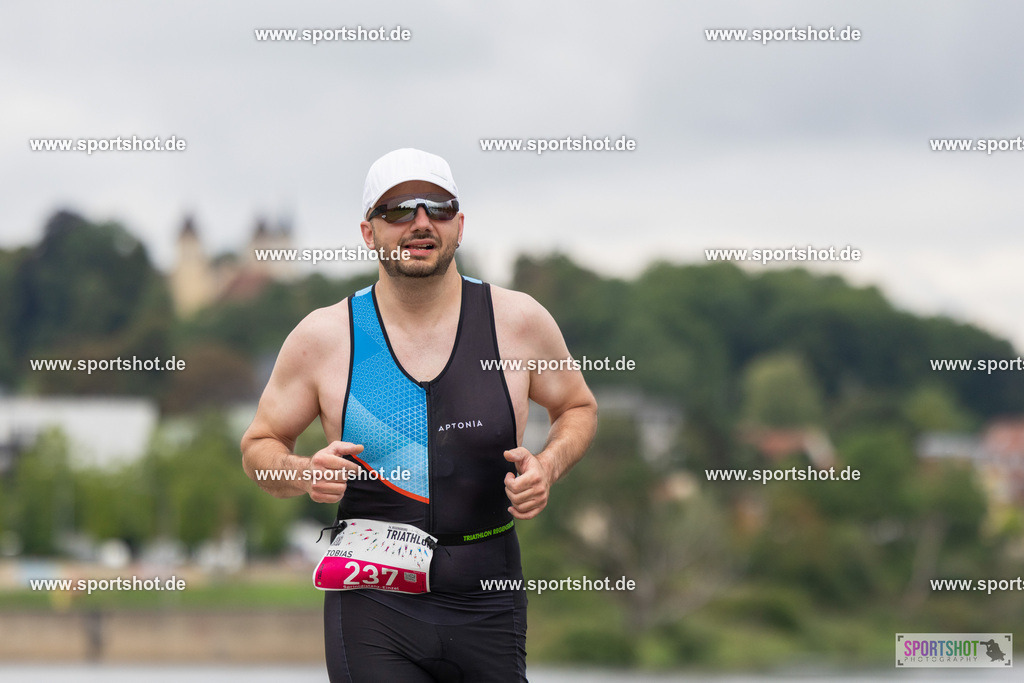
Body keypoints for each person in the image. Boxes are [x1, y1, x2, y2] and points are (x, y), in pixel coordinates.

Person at [241, 148, 598, 682]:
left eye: (439, 208)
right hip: (372, 599)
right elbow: (258, 446)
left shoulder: (518, 322)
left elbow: (577, 407)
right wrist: (303, 473)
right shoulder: (324, 337)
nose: (421, 223)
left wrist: (548, 466)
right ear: (369, 233)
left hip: (487, 596)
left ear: (460, 226)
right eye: (399, 210)